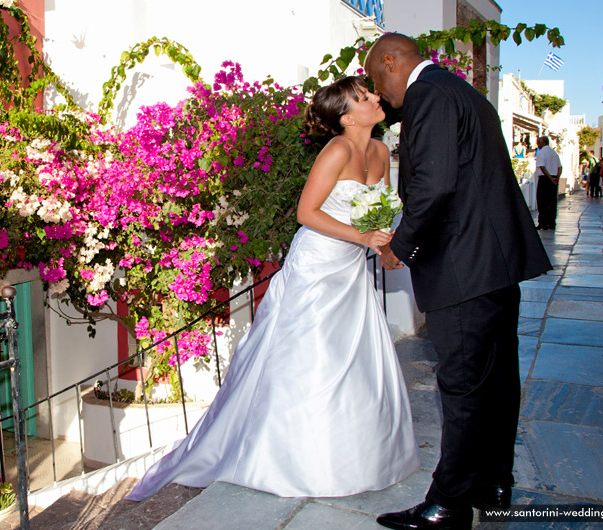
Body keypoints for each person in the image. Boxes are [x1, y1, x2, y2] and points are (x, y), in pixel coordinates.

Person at [126, 76, 419, 501]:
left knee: (354, 356)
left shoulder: (379, 150)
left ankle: (359, 453)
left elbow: (376, 214)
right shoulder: (336, 150)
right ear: (347, 116)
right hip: (318, 266)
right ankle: (295, 459)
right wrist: (360, 238)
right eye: (364, 96)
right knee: (314, 358)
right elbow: (306, 212)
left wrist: (385, 247)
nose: (376, 98)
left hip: (351, 269)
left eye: (372, 93)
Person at [364, 33, 551, 530]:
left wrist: (397, 246)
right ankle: (492, 482)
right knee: (496, 380)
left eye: (377, 79)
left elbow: (434, 183)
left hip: (464, 266)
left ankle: (448, 502)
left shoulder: (429, 95)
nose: (380, 93)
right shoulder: (461, 90)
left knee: (463, 383)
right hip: (492, 263)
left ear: (391, 61)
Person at [534, 136, 562, 230]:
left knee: (542, 201)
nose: (538, 144)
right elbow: (560, 167)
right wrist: (556, 178)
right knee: (552, 201)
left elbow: (542, 167)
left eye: (539, 142)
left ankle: (543, 223)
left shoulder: (541, 153)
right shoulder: (554, 153)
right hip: (554, 178)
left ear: (543, 142)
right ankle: (551, 222)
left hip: (545, 178)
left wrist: (550, 178)